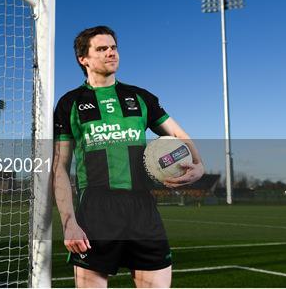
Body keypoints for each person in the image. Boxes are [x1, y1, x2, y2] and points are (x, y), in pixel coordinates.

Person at [52, 25, 205, 288]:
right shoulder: (70, 103)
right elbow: (59, 168)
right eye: (102, 48)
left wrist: (199, 166)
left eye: (113, 47)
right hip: (96, 211)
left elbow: (180, 135)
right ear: (83, 59)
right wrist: (69, 223)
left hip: (142, 209)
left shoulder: (140, 97)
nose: (111, 52)